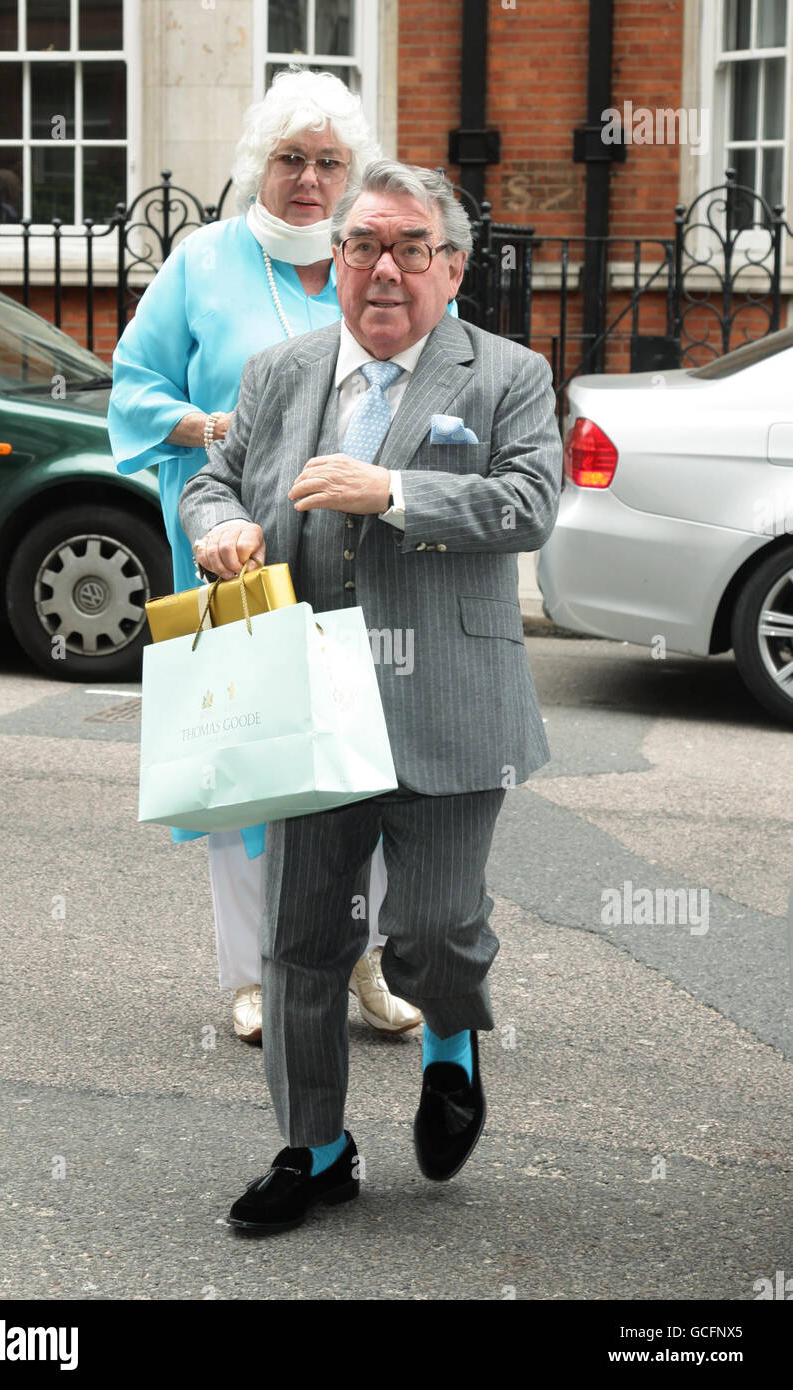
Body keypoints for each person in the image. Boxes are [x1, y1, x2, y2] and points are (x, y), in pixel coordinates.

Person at [180, 159, 562, 1233]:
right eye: (361, 247)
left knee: (433, 929)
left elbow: (530, 502)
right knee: (302, 938)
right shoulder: (278, 372)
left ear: (450, 267)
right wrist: (217, 525)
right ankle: (316, 1147)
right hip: (304, 702)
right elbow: (217, 476)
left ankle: (450, 1038)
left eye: (409, 249)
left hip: (446, 694)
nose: (383, 270)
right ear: (333, 260)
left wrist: (391, 491)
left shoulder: (505, 375)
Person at [107, 71, 421, 1044]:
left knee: (358, 759)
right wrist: (208, 424)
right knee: (243, 763)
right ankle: (250, 977)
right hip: (231, 551)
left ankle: (362, 960)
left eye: (329, 161)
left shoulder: (370, 262)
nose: (308, 179)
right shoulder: (203, 262)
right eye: (290, 158)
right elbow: (132, 386)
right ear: (259, 166)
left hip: (354, 557)